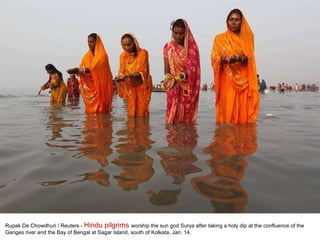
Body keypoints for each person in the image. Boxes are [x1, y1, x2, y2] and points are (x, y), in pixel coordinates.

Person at [211, 9, 259, 124]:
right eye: (231, 19)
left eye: (237, 20)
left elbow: (249, 58)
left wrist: (237, 58)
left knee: (244, 113)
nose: (233, 22)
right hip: (227, 80)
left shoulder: (247, 39)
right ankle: (227, 139)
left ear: (241, 22)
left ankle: (243, 138)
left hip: (244, 81)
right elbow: (214, 57)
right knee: (227, 112)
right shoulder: (219, 38)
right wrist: (223, 59)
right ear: (227, 22)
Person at [162, 18, 201, 124]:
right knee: (172, 121)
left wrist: (178, 78)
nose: (178, 36)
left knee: (186, 122)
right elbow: (167, 68)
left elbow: (192, 71)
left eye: (181, 33)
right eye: (175, 33)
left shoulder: (192, 49)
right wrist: (167, 79)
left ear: (186, 33)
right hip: (173, 88)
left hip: (187, 89)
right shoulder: (168, 47)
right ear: (172, 31)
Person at [67, 33, 113, 113]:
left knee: (101, 111)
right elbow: (83, 66)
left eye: (92, 42)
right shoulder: (86, 56)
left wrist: (79, 70)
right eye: (88, 42)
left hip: (101, 87)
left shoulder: (102, 55)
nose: (89, 44)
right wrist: (78, 70)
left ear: (97, 42)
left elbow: (94, 68)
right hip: (90, 88)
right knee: (91, 114)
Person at [114, 33, 152, 117]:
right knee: (131, 113)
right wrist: (119, 78)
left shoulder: (143, 53)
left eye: (129, 44)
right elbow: (121, 71)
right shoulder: (122, 56)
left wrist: (127, 76)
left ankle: (143, 128)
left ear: (134, 42)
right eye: (124, 45)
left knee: (142, 113)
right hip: (130, 87)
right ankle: (132, 128)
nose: (127, 47)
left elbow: (143, 71)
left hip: (142, 86)